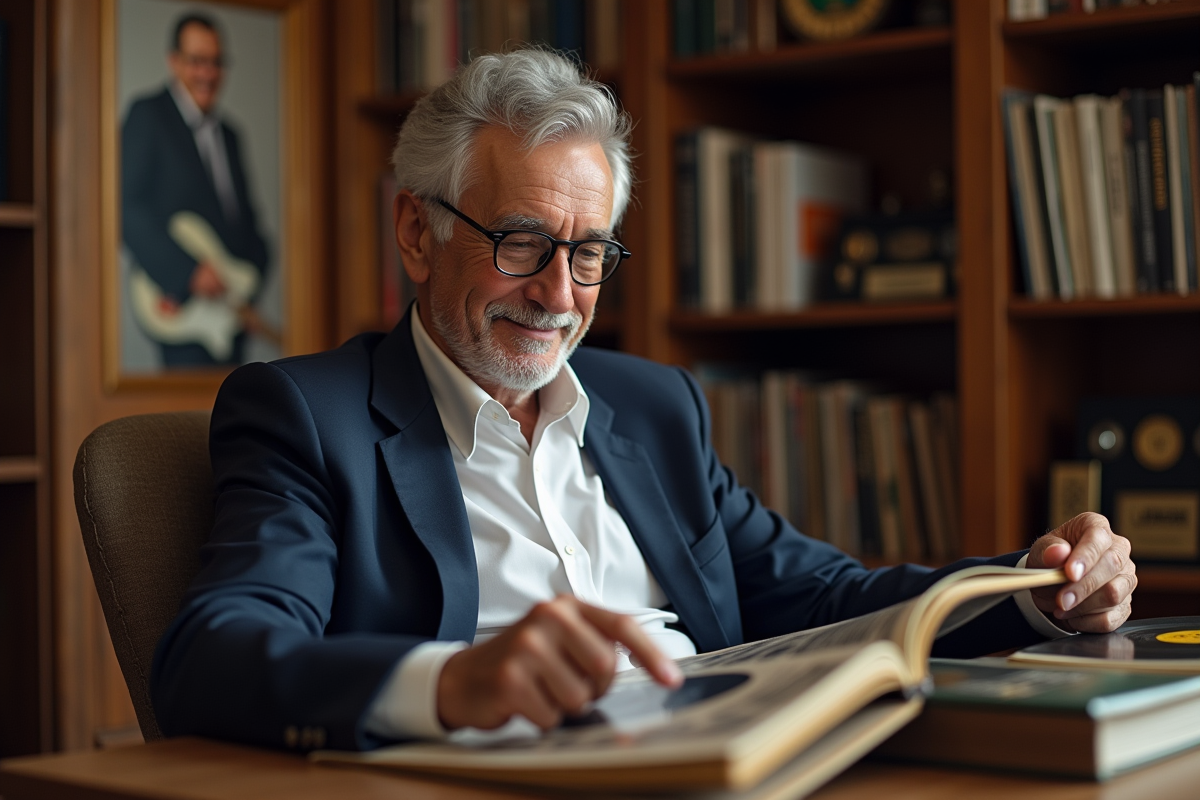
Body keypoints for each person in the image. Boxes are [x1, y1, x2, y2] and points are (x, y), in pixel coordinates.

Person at [150, 49, 1137, 752]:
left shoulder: (657, 406)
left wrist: (1034, 588)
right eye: (523, 242)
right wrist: (451, 682)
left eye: (588, 256)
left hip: (731, 762)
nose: (559, 295)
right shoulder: (302, 413)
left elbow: (822, 599)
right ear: (417, 231)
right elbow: (215, 653)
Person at [121, 13, 270, 367]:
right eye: (197, 61)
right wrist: (187, 274)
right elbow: (126, 209)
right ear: (173, 62)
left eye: (217, 62)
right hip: (181, 312)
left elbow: (247, 223)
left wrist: (251, 281)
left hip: (231, 312)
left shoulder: (231, 135)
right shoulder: (148, 115)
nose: (208, 73)